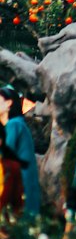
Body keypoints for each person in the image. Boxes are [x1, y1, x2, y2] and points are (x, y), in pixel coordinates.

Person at [0, 85, 40, 218]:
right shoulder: (16, 124)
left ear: (9, 103)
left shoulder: (14, 124)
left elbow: (5, 152)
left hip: (19, 185)